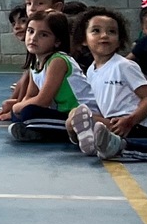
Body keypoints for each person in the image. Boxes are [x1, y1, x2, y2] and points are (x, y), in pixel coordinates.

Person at [68, 8, 147, 159]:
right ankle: (88, 141)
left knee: (84, 119)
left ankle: (105, 143)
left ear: (119, 40)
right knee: (73, 117)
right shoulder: (91, 71)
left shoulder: (124, 66)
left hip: (136, 126)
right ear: (84, 39)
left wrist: (130, 120)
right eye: (96, 31)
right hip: (111, 123)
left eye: (112, 32)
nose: (104, 35)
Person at [6, 11, 94, 144]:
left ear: (57, 41)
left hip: (80, 113)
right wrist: (18, 108)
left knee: (28, 113)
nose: (33, 38)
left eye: (43, 35)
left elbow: (43, 100)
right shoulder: (35, 64)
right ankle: (39, 130)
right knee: (23, 112)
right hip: (63, 112)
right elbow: (30, 96)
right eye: (31, 31)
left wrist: (17, 108)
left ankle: (59, 132)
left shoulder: (58, 60)